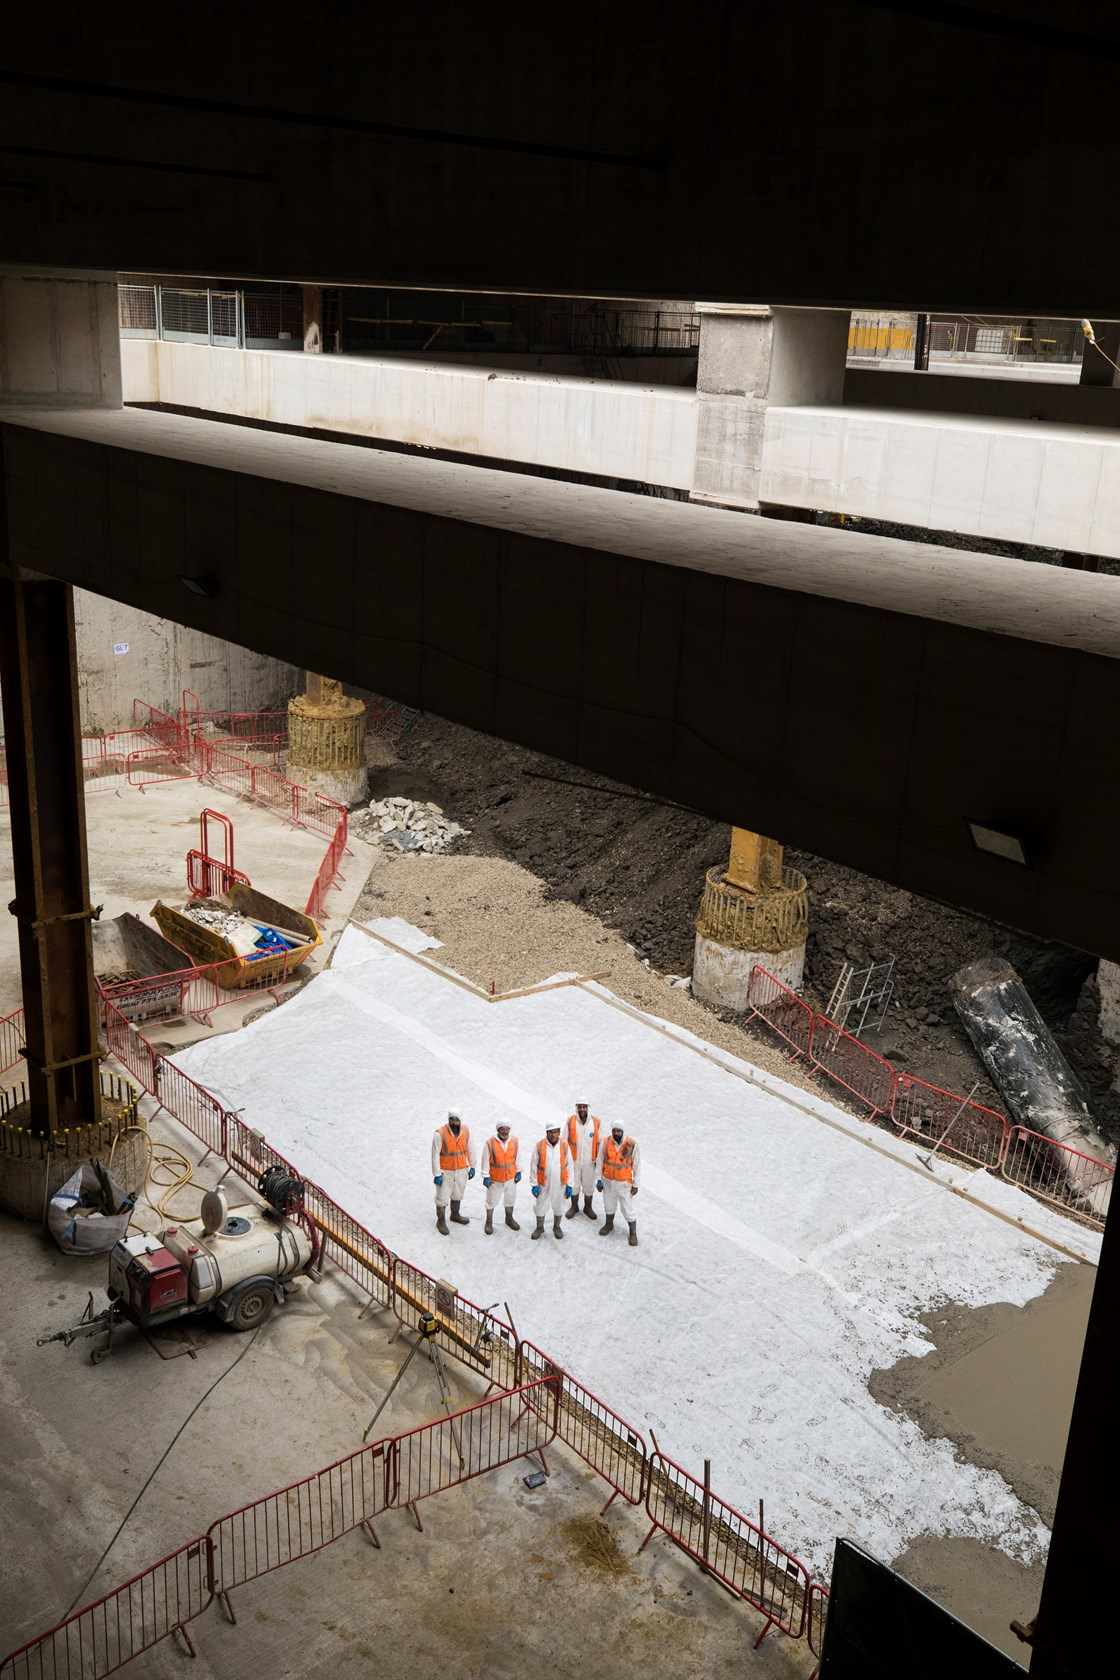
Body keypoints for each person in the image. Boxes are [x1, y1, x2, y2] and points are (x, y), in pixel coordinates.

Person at [431, 1109, 476, 1235]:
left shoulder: (466, 1131)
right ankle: (440, 1221)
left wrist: (472, 1166)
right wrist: (437, 1174)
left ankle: (455, 1214)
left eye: (457, 1120)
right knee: (442, 1197)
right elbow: (434, 1156)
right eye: (452, 1119)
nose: (454, 1122)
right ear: (448, 1119)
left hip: (461, 1169)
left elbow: (471, 1149)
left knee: (458, 1193)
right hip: (446, 1172)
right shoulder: (440, 1134)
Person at [596, 1122, 640, 1246]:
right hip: (608, 1182)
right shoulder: (605, 1143)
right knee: (609, 1204)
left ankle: (633, 1232)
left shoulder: (631, 1145)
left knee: (627, 1209)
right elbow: (600, 1161)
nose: (616, 1133)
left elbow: (637, 1166)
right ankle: (609, 1224)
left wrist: (636, 1184)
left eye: (619, 1131)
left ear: (623, 1131)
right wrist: (599, 1179)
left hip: (624, 1184)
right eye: (614, 1130)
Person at [530, 1120, 573, 1240]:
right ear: (546, 1133)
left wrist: (570, 1185)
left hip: (560, 1183)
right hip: (543, 1183)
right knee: (540, 1206)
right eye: (550, 1132)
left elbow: (570, 1166)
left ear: (559, 1132)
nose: (553, 1135)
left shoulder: (564, 1146)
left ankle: (556, 1227)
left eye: (555, 1132)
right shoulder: (539, 1145)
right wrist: (533, 1184)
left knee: (559, 1206)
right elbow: (533, 1165)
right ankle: (539, 1227)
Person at [564, 1101, 602, 1220]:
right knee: (574, 1184)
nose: (582, 1109)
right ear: (576, 1108)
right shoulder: (571, 1121)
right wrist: (565, 1160)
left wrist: (599, 1160)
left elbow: (600, 1143)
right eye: (579, 1107)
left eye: (584, 1107)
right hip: (574, 1161)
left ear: (588, 1108)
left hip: (590, 1162)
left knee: (589, 1185)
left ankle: (588, 1207)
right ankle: (574, 1206)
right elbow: (564, 1141)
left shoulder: (596, 1122)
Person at [482, 1121, 522, 1234]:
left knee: (510, 1199)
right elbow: (485, 1160)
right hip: (495, 1180)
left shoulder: (514, 1141)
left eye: (507, 1129)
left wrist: (518, 1171)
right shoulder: (490, 1143)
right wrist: (486, 1176)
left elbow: (517, 1157)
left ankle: (509, 1219)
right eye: (502, 1129)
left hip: (510, 1178)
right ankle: (488, 1222)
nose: (504, 1132)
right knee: (491, 1201)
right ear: (497, 1130)